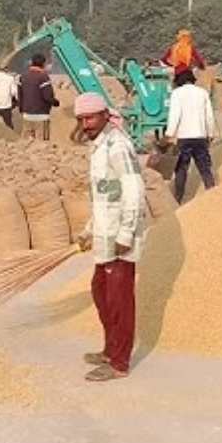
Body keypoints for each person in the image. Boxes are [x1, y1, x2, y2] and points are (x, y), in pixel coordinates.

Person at [73, 91, 146, 382]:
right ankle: (109, 348)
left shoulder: (118, 146)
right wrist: (89, 230)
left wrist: (126, 233)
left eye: (90, 118)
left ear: (105, 115)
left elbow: (134, 191)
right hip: (105, 231)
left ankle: (119, 363)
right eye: (81, 119)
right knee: (100, 291)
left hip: (120, 236)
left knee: (119, 299)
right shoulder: (99, 147)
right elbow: (104, 195)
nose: (85, 124)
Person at [165, 68, 218, 203]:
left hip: (184, 138)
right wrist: (210, 133)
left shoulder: (177, 93)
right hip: (201, 137)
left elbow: (174, 116)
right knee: (205, 167)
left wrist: (169, 134)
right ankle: (212, 194)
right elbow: (209, 116)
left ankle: (178, 199)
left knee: (181, 169)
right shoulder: (203, 93)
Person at [19, 53, 60, 141]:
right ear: (43, 64)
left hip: (27, 115)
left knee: (27, 142)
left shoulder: (23, 76)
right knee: (42, 144)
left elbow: (20, 95)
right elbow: (47, 96)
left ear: (31, 63)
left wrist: (21, 109)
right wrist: (55, 102)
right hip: (42, 116)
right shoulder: (43, 77)